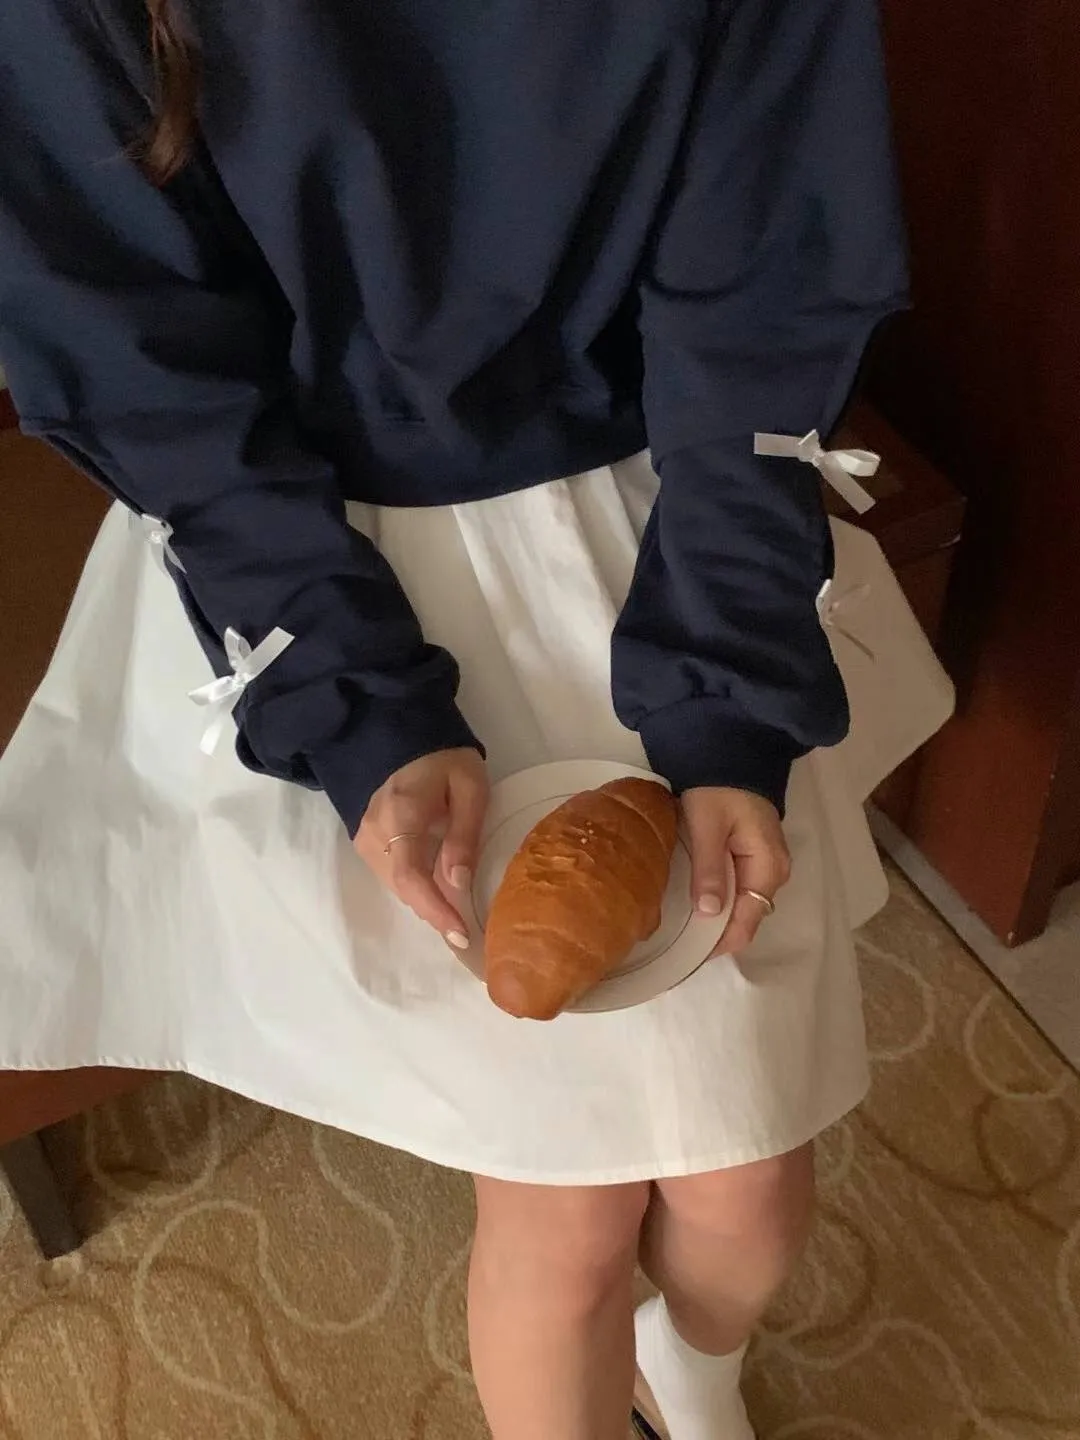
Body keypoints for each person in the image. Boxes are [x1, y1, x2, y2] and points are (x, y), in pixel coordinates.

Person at [0, 2, 951, 1436]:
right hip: (309, 550)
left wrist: (726, 681)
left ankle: (692, 1370)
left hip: (664, 516)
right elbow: (146, 370)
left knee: (750, 1172)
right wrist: (360, 703)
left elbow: (766, 289)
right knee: (566, 1211)